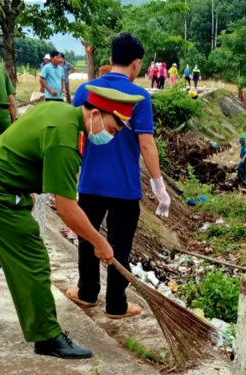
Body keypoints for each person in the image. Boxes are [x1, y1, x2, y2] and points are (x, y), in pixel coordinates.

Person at [0, 85, 145, 359]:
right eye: (112, 128)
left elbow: (21, 142)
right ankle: (46, 336)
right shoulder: (66, 139)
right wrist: (99, 242)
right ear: (96, 114)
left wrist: (24, 187)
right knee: (33, 258)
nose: (112, 135)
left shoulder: (58, 109)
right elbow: (66, 208)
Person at [67, 32, 171, 320]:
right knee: (119, 245)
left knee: (87, 238)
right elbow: (146, 144)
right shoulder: (139, 97)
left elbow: (76, 134)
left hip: (89, 182)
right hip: (125, 187)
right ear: (137, 65)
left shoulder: (84, 91)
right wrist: (158, 186)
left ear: (111, 58)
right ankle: (116, 306)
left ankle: (87, 294)